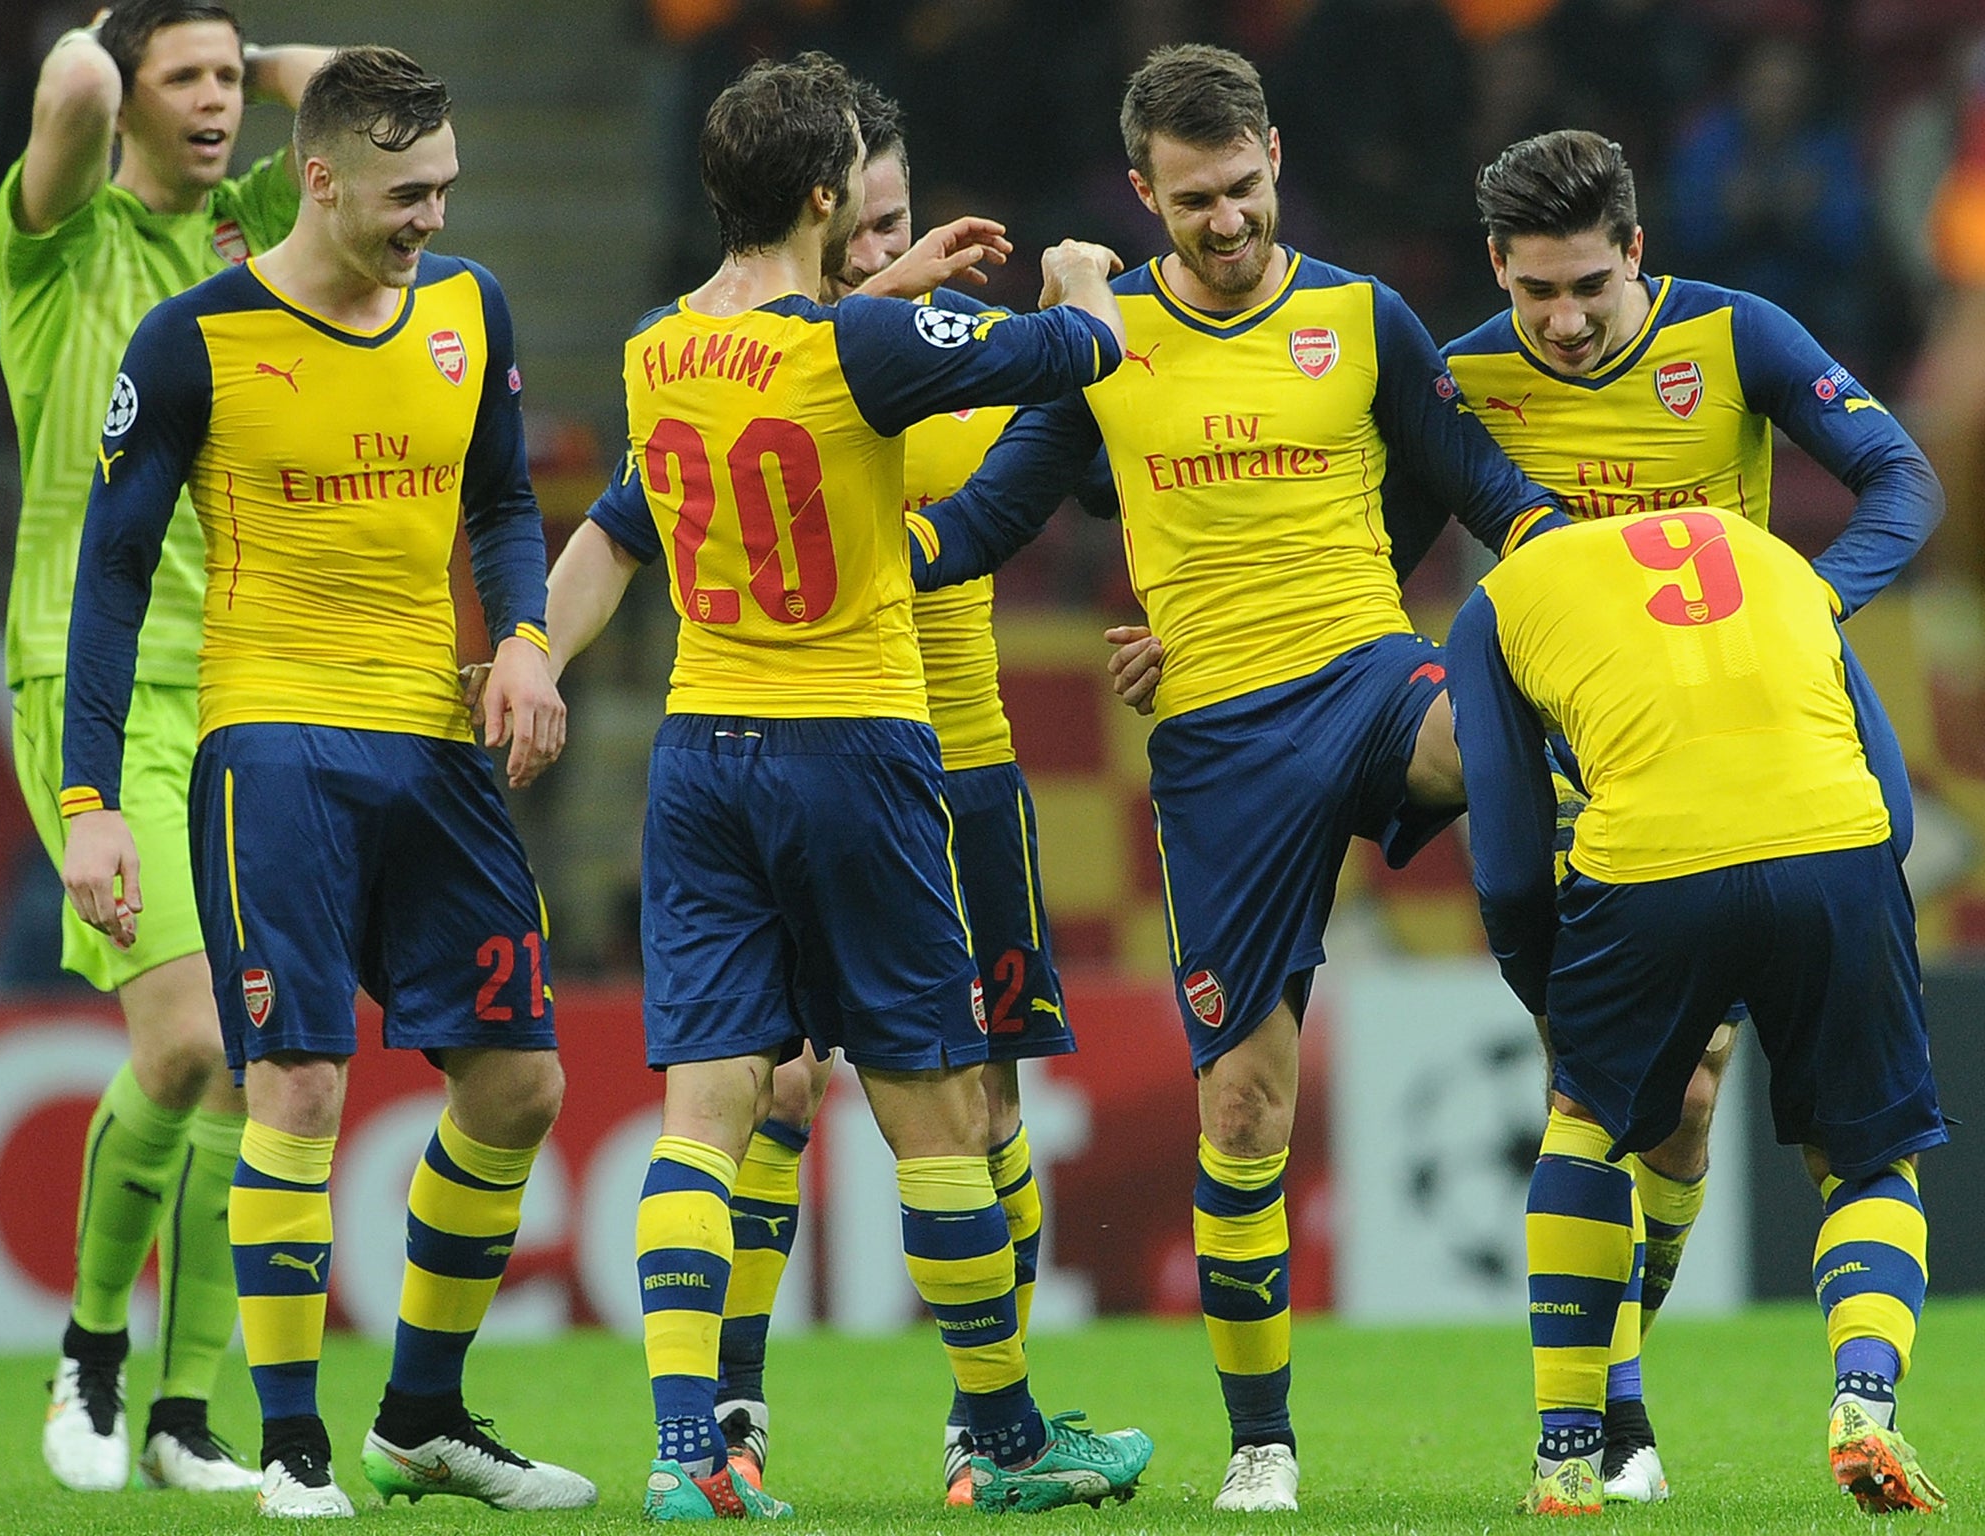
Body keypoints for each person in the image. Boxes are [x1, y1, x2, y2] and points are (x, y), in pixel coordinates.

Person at [908, 43, 1566, 1512]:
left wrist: (1592, 573)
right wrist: (852, 569)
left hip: (1365, 681)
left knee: (1504, 729)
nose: (1227, 221)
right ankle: (1261, 1440)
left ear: (1277, 155)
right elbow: (989, 517)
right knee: (1246, 1115)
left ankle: (1598, 963)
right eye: (1194, 200)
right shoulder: (1100, 343)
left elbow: (1487, 490)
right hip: (1214, 751)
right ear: (1142, 195)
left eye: (1246, 188)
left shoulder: (1360, 316)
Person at [537, 49, 1153, 1522]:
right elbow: (1081, 360)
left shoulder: (655, 346)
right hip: (860, 753)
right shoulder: (863, 354)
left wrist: (889, 293)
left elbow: (795, 346)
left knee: (703, 1109)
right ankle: (1001, 1444)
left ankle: (690, 1453)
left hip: (702, 756)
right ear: (828, 195)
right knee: (935, 1112)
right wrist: (1079, 279)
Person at [57, 46, 592, 1519]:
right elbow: (106, 590)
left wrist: (529, 645)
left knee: (522, 1078)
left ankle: (420, 1414)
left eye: (447, 190)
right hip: (271, 748)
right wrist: (87, 803)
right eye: (407, 193)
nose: (432, 217)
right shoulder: (190, 342)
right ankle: (290, 1447)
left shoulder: (467, 310)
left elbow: (498, 503)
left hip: (433, 740)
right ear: (320, 176)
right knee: (293, 1079)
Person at [1439, 127, 1940, 1501]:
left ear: (1639, 253)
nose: (1565, 320)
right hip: (1593, 755)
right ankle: (1618, 1414)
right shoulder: (1463, 376)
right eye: (1536, 291)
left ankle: (1589, 1418)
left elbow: (1906, 478)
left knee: (1681, 1104)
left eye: (1591, 287)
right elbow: (1356, 535)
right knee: (1616, 1101)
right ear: (1499, 268)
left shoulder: (1737, 337)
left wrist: (1813, 600)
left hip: (1764, 707)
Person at [700, 80, 1078, 1512]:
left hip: (960, 768)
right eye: (861, 228)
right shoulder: (744, 356)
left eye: (900, 224)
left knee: (981, 1108)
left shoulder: (963, 360)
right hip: (801, 748)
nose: (883, 253)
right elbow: (641, 519)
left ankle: (992, 1430)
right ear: (813, 221)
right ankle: (733, 1417)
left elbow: (1095, 454)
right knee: (777, 1086)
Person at [0, 0, 329, 1494]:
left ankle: (188, 1416)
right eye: (181, 78)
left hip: (242, 679)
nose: (219, 102)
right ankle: (91, 1352)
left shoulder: (249, 225)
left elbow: (360, 103)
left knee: (249, 1068)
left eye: (226, 78)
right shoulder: (58, 244)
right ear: (121, 99)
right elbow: (64, 74)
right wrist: (115, 51)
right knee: (186, 1040)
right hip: (94, 681)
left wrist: (246, 62)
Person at [1446, 508, 1948, 1517]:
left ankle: (1567, 1458)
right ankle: (1861, 1400)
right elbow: (1892, 802)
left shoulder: (1495, 603)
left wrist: (1549, 988)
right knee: (1862, 1161)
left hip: (1649, 865)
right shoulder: (1767, 552)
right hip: (1838, 851)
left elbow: (1504, 859)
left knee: (1583, 1127)